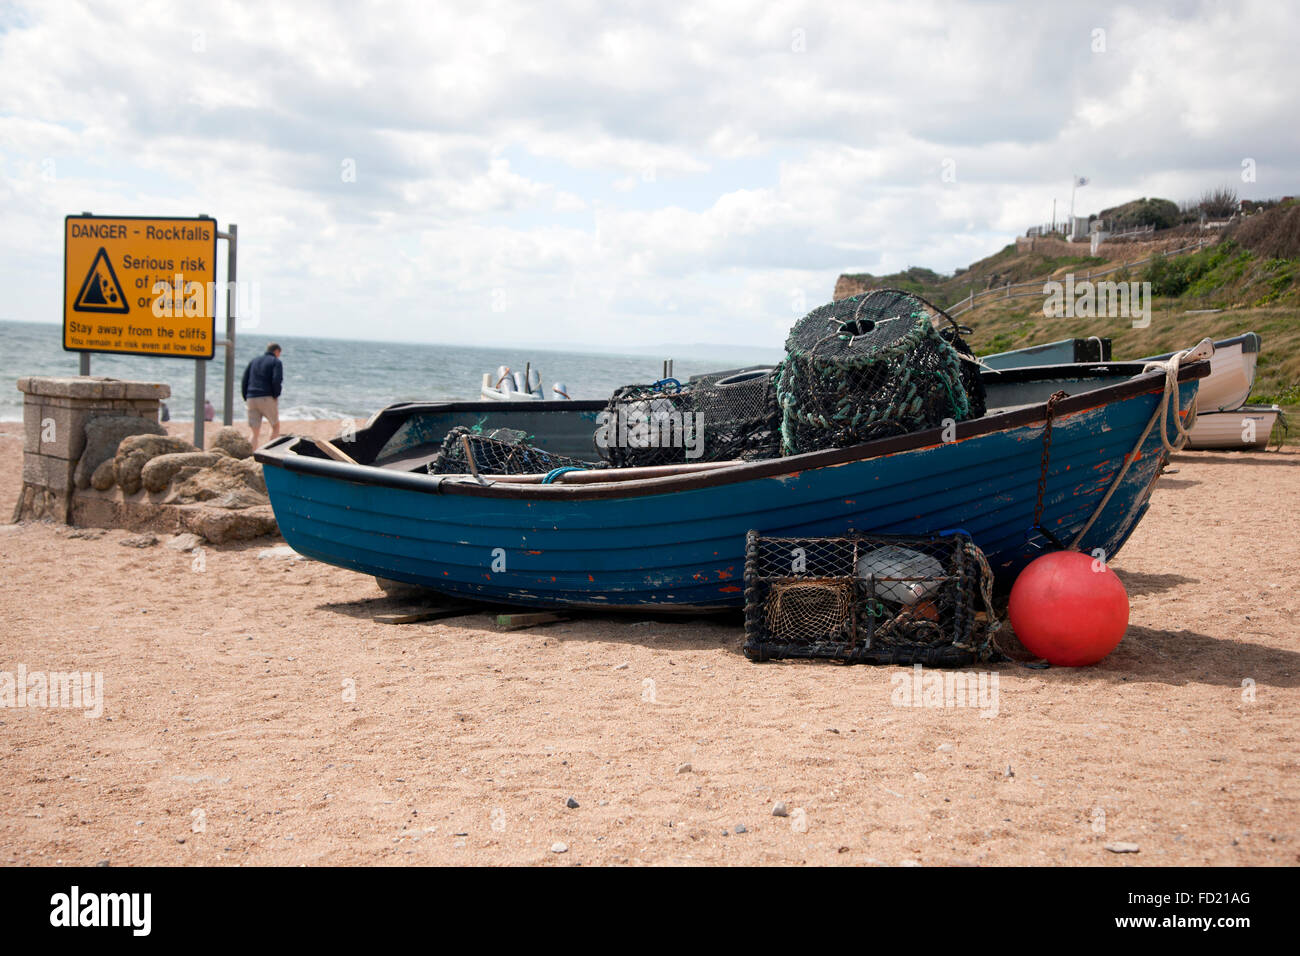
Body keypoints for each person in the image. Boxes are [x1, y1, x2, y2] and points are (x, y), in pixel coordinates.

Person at [241, 342, 283, 448]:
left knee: (254, 433)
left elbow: (244, 379)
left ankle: (251, 456)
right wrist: (276, 395)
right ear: (277, 351)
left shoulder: (254, 361)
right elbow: (276, 380)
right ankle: (270, 453)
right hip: (266, 396)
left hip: (251, 397)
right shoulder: (276, 362)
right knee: (275, 427)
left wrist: (245, 396)